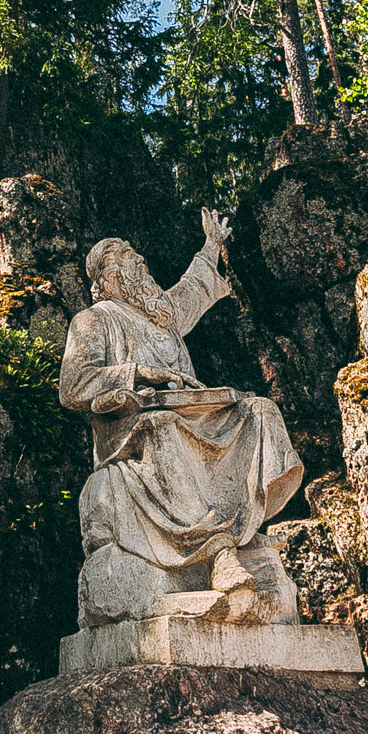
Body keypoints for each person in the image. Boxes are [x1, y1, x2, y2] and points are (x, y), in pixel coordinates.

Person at [57, 208, 304, 624]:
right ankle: (219, 550)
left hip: (192, 413)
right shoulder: (95, 320)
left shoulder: (163, 315)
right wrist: (138, 373)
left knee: (260, 410)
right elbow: (74, 385)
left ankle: (244, 528)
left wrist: (212, 244)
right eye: (128, 256)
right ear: (110, 275)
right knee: (163, 425)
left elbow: (193, 288)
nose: (140, 260)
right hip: (131, 428)